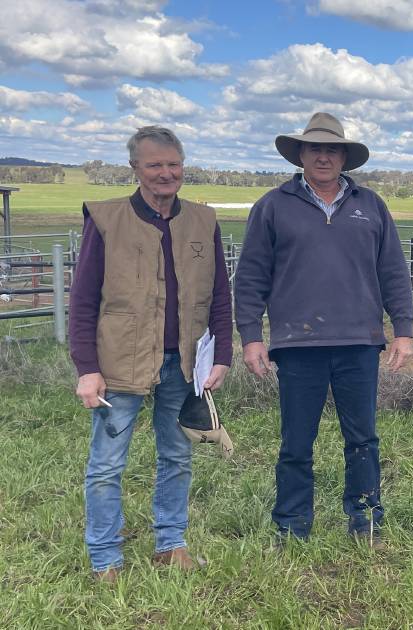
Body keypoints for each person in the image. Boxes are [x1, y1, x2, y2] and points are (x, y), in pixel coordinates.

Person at [235, 112, 413, 545]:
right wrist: (251, 336)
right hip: (298, 344)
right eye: (315, 148)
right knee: (296, 442)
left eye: (332, 149)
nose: (323, 156)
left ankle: (366, 520)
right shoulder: (273, 206)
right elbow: (252, 275)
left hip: (359, 341)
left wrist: (403, 329)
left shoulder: (370, 206)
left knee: (363, 438)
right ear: (300, 153)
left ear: (344, 157)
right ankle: (292, 526)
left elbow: (392, 270)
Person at [70, 125, 233, 582]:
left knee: (177, 455)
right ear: (135, 169)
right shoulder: (107, 219)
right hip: (118, 363)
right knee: (106, 464)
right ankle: (105, 559)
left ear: (183, 166)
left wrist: (221, 353)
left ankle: (171, 544)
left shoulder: (203, 221)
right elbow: (83, 300)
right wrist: (87, 368)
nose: (166, 173)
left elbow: (220, 293)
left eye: (173, 164)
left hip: (183, 362)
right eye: (154, 164)